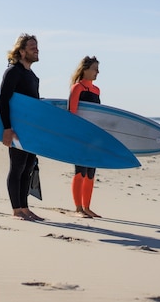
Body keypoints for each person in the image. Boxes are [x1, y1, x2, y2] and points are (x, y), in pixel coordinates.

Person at [0, 33, 44, 221]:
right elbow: (3, 99)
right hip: (16, 128)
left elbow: (33, 105)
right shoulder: (13, 72)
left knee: (28, 168)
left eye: (37, 47)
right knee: (17, 167)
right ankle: (16, 210)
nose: (36, 50)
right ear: (22, 51)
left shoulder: (33, 76)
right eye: (32, 47)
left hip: (30, 129)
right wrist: (7, 128)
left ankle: (25, 207)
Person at [68, 56, 102, 218]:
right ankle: (78, 208)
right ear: (85, 69)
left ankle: (87, 207)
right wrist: (75, 135)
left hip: (93, 137)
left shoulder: (96, 90)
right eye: (95, 69)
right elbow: (72, 115)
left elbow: (98, 115)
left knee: (90, 172)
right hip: (80, 135)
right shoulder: (77, 88)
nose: (97, 72)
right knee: (80, 171)